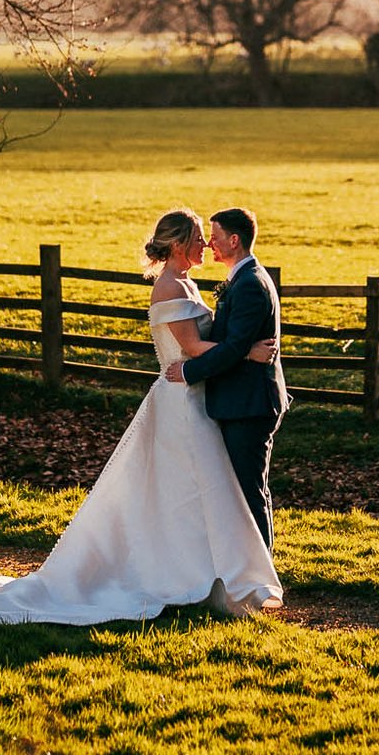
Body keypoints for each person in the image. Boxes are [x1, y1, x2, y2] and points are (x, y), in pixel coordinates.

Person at [0, 207, 283, 623]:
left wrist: (236, 351)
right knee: (181, 493)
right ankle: (180, 574)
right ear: (177, 245)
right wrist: (245, 352)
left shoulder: (188, 283)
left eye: (207, 238)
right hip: (180, 402)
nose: (204, 244)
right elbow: (191, 349)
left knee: (199, 494)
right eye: (196, 239)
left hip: (197, 401)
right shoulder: (169, 288)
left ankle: (212, 576)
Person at [162, 207, 290, 546]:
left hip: (249, 404)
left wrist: (188, 371)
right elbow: (232, 344)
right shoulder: (244, 278)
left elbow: (231, 348)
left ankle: (262, 578)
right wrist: (247, 350)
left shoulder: (249, 284)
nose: (208, 244)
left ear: (234, 240)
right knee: (240, 491)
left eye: (215, 238)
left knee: (249, 492)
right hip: (239, 401)